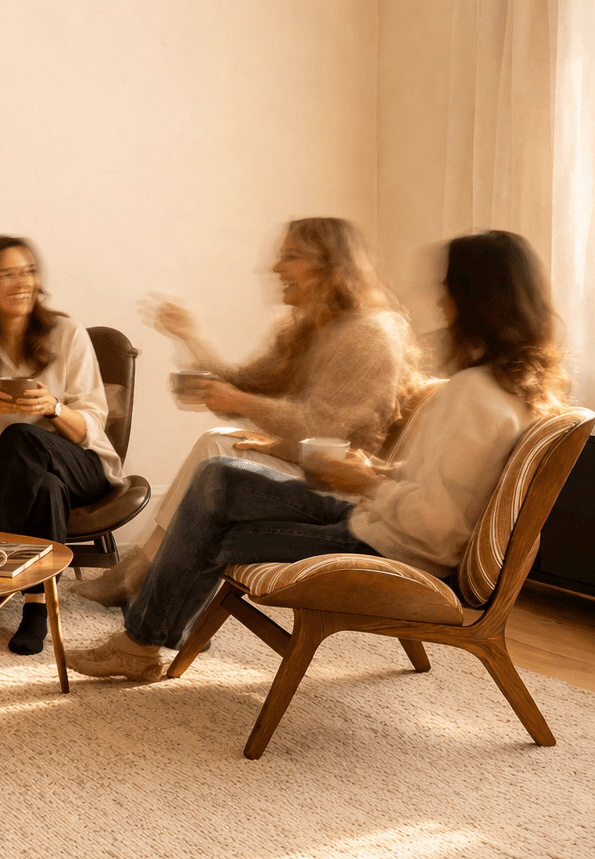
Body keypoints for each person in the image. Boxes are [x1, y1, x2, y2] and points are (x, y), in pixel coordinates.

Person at [71, 230, 564, 680]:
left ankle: (138, 642)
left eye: (447, 288)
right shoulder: (500, 390)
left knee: (208, 529)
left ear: (472, 299)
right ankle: (139, 625)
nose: (439, 299)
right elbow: (440, 489)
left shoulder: (469, 393)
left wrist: (367, 482)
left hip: (387, 547)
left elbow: (436, 527)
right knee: (219, 474)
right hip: (378, 515)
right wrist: (377, 475)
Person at [74, 217, 418, 607]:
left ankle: (142, 574)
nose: (276, 269)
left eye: (292, 257)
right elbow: (245, 382)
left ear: (332, 265)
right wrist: (190, 337)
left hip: (341, 487)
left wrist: (240, 404)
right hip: (307, 463)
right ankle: (143, 574)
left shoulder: (368, 333)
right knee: (218, 441)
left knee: (216, 449)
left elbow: (322, 426)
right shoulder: (309, 327)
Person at [0, 235, 125, 655]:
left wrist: (54, 408)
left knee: (22, 438)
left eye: (29, 271)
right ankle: (37, 609)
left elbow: (94, 421)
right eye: (8, 274)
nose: (23, 282)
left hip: (81, 465)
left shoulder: (67, 334)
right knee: (43, 485)